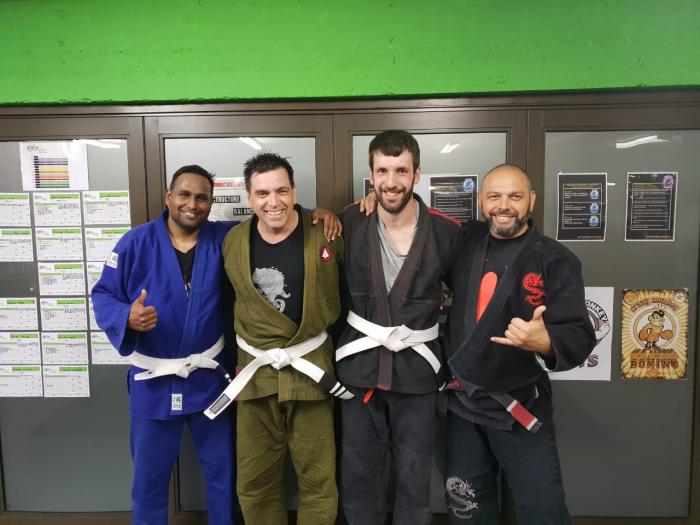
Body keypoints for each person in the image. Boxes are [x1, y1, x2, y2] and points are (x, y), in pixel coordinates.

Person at [92, 164, 339, 525]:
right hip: (154, 383)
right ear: (168, 197)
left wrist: (318, 214)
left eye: (202, 198)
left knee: (223, 477)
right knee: (148, 482)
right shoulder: (136, 243)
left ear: (211, 203)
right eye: (184, 195)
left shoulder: (225, 238)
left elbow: (274, 218)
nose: (192, 204)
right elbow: (103, 294)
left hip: (210, 381)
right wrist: (126, 316)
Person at [443, 164, 596, 524]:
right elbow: (413, 222)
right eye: (494, 196)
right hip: (464, 406)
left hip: (520, 405)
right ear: (481, 200)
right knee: (467, 511)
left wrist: (547, 341)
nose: (504, 205)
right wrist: (368, 204)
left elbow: (580, 334)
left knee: (543, 511)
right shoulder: (463, 242)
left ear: (531, 201)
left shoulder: (555, 259)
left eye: (515, 196)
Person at [205, 152, 348, 525]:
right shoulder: (233, 241)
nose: (274, 202)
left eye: (281, 191)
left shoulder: (326, 233)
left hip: (311, 372)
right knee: (254, 483)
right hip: (256, 376)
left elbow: (349, 297)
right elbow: (226, 304)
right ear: (249, 198)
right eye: (263, 193)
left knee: (319, 481)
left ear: (294, 191)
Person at [335, 130, 463, 525]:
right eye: (383, 171)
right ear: (371, 175)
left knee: (414, 480)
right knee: (358, 479)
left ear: (417, 174)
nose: (391, 182)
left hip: (418, 375)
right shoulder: (348, 223)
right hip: (360, 372)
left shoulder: (447, 232)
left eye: (401, 171)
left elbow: (469, 302)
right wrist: (319, 213)